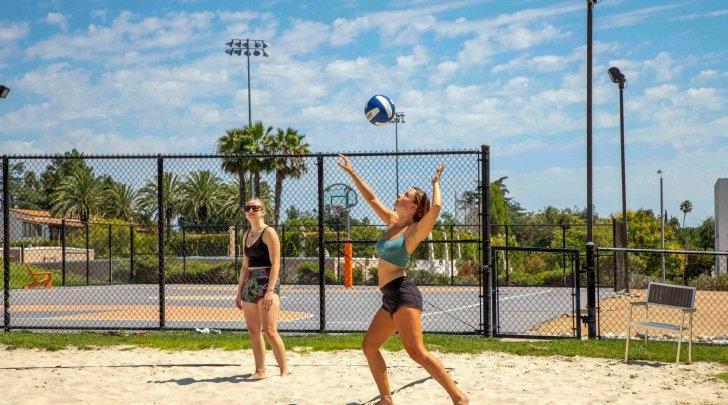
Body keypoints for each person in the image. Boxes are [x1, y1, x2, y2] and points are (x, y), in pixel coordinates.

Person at [337, 155, 469, 405]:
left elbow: (437, 208)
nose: (400, 194)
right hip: (390, 296)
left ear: (414, 206)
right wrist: (352, 173)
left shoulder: (415, 230)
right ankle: (386, 399)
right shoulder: (392, 222)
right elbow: (371, 198)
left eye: (406, 194)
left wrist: (436, 181)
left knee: (416, 352)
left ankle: (459, 397)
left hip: (403, 293)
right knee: (369, 346)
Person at [234, 198, 289, 378]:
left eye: (255, 208)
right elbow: (244, 266)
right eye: (247, 208)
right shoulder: (246, 234)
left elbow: (276, 263)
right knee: (253, 331)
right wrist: (239, 291)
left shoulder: (269, 232)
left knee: (270, 331)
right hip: (249, 282)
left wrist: (270, 291)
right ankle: (260, 370)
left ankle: (284, 371)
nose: (251, 210)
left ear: (263, 211)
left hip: (266, 282)